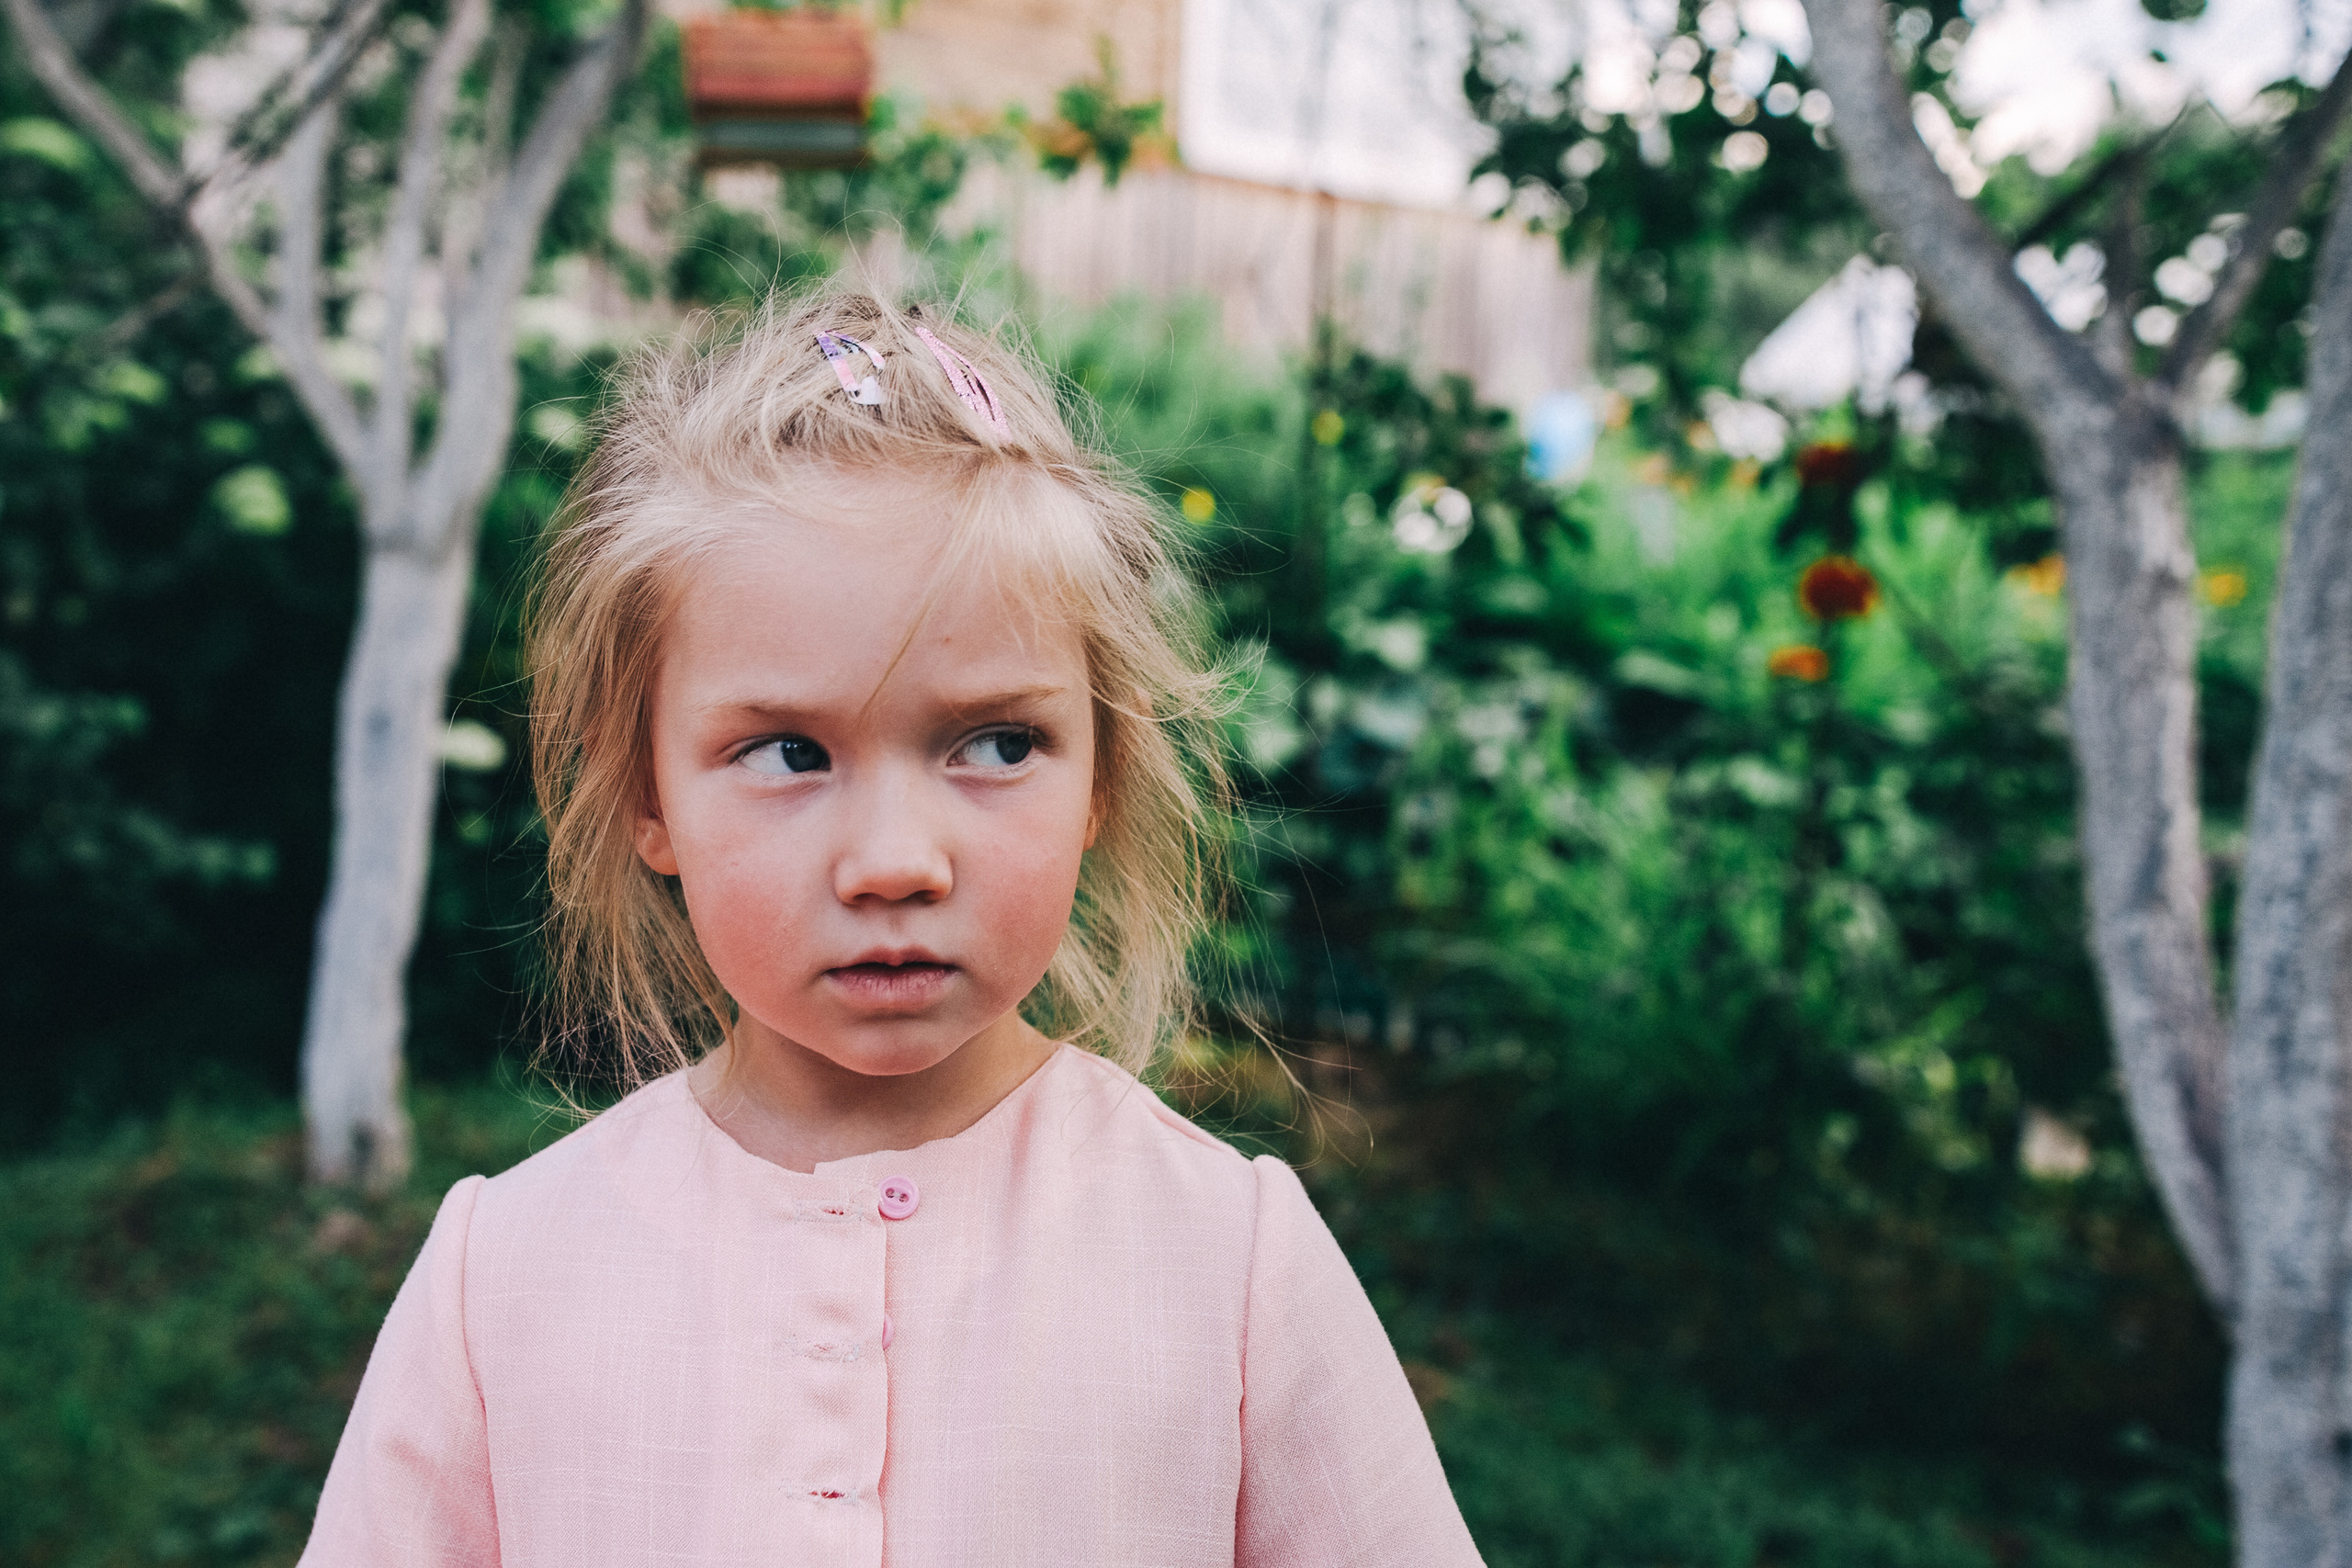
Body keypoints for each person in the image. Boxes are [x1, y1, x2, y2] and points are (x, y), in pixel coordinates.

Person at [299, 290, 1485, 1568]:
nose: (895, 863)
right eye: (789, 752)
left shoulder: (1231, 1264)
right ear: (648, 794)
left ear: (1101, 774)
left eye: (994, 743)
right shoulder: (507, 1278)